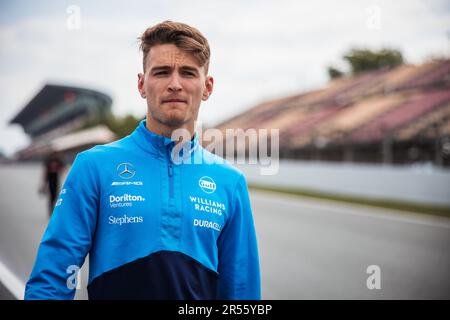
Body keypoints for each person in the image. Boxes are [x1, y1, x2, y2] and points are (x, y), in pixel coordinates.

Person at [25, 21, 261, 300]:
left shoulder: (230, 182)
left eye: (188, 73)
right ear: (142, 84)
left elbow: (242, 294)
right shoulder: (93, 166)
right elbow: (52, 278)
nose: (175, 84)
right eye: (162, 72)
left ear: (207, 86)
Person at [39, 152, 65, 217]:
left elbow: (62, 167)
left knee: (56, 195)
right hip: (50, 179)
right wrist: (44, 184)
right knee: (51, 196)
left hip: (56, 178)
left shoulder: (58, 160)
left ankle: (54, 210)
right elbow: (45, 171)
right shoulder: (49, 160)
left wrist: (59, 171)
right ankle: (51, 210)